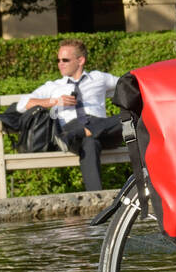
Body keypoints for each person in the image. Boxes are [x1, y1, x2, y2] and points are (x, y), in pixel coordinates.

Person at [19, 39, 121, 190]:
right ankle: (97, 198)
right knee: (90, 143)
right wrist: (54, 101)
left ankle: (82, 132)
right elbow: (23, 104)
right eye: (58, 60)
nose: (60, 63)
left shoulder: (99, 78)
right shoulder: (54, 86)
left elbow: (127, 84)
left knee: (129, 118)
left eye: (65, 60)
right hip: (73, 132)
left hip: (101, 132)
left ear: (80, 60)